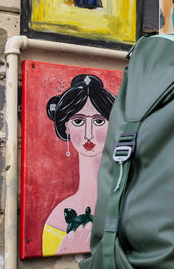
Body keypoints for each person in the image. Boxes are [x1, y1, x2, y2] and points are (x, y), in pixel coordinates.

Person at [43, 74, 116, 256]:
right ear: (66, 127)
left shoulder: (130, 202)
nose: (88, 134)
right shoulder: (57, 220)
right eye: (78, 121)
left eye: (99, 121)